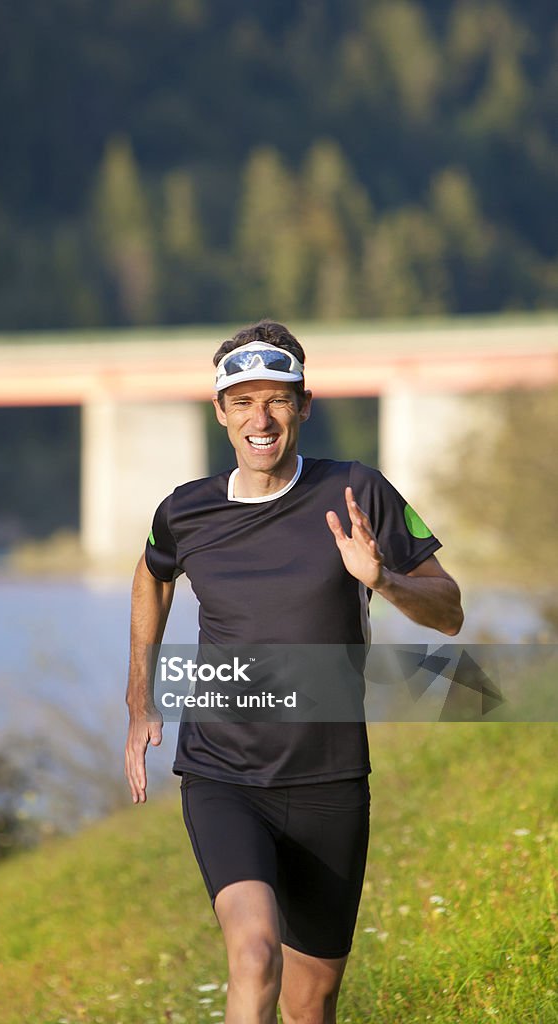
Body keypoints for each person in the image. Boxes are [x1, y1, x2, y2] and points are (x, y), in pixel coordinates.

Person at [124, 320, 463, 1024]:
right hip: (223, 774)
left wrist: (384, 581)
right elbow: (152, 576)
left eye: (277, 399)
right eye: (242, 401)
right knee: (253, 955)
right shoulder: (185, 510)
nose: (261, 418)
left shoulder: (358, 492)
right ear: (219, 412)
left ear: (304, 405)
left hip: (328, 781)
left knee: (312, 1004)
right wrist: (140, 701)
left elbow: (449, 611)